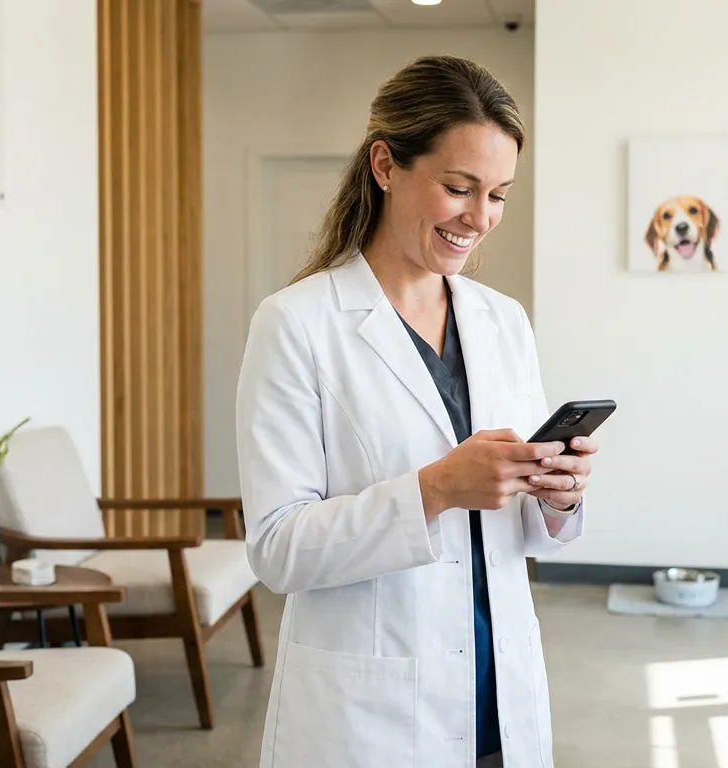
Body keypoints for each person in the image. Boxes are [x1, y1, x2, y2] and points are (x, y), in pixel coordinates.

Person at [234, 55, 598, 768]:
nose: (480, 218)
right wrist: (431, 491)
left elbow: (523, 530)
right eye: (458, 188)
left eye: (498, 194)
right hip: (372, 712)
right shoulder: (297, 324)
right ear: (385, 164)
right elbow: (277, 548)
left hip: (499, 690)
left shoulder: (503, 322)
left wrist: (558, 495)